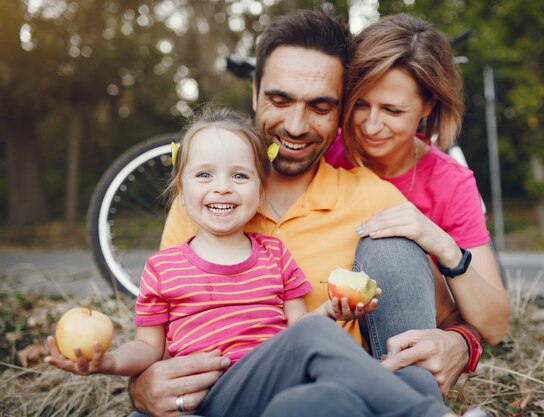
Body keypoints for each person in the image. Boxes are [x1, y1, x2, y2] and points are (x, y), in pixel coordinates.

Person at [130, 9, 487, 417]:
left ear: (341, 109)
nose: (296, 126)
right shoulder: (205, 204)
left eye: (320, 107)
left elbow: (454, 315)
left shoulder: (373, 198)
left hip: (323, 402)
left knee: (316, 402)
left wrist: (461, 342)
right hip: (224, 397)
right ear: (254, 91)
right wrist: (140, 388)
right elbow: (160, 330)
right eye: (279, 100)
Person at [45, 104, 461, 417]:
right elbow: (146, 348)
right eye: (204, 175)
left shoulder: (274, 255)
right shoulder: (164, 267)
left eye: (239, 176)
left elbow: (301, 329)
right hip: (214, 397)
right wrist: (107, 363)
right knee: (319, 344)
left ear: (261, 190)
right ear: (181, 189)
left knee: (353, 392)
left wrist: (333, 312)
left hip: (273, 394)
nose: (222, 188)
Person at [325, 13, 510, 345]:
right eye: (360, 104)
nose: (370, 125)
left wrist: (442, 246)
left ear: (428, 105)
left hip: (399, 338)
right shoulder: (325, 151)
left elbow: (495, 327)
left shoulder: (450, 182)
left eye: (392, 111)